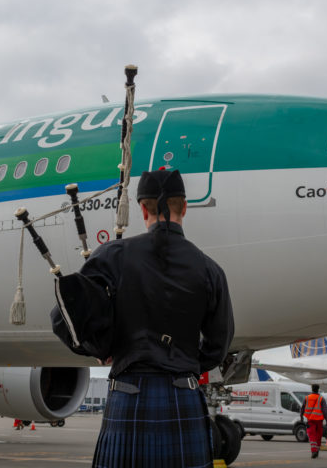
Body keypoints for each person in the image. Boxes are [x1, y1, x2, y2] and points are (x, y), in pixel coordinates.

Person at [72, 168, 235, 468]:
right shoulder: (210, 269)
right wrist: (184, 363)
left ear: (142, 209)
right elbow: (218, 345)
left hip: (127, 397)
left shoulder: (113, 255)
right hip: (183, 393)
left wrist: (99, 349)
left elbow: (68, 317)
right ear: (184, 207)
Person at [299, 384, 327, 459]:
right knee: (318, 436)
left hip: (310, 420)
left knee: (312, 435)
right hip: (319, 420)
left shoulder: (307, 398)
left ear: (312, 389)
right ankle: (317, 449)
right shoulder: (321, 398)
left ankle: (313, 451)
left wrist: (301, 417)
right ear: (318, 389)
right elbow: (325, 410)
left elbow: (302, 408)